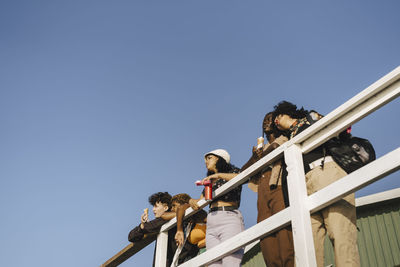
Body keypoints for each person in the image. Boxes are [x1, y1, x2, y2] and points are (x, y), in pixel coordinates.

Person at [272, 101, 360, 267]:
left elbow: (339, 128)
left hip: (325, 171)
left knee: (340, 233)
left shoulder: (310, 118)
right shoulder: (287, 139)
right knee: (309, 245)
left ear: (288, 112)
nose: (276, 121)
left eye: (278, 116)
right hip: (303, 185)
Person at [241, 112, 294, 267]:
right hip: (262, 193)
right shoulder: (260, 149)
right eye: (264, 119)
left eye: (270, 119)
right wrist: (254, 158)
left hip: (277, 187)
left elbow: (275, 149)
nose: (266, 121)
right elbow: (242, 174)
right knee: (266, 238)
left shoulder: (284, 138)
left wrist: (260, 155)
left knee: (284, 235)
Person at [189, 149, 244, 267]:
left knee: (231, 260)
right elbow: (200, 201)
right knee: (213, 263)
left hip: (229, 217)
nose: (206, 162)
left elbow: (242, 177)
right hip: (212, 220)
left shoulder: (232, 171)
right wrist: (191, 201)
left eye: (209, 158)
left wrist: (218, 175)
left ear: (219, 158)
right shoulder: (209, 182)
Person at [128, 192, 176, 266]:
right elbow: (131, 236)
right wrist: (143, 226)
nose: (153, 210)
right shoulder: (161, 221)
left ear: (166, 208)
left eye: (156, 206)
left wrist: (143, 226)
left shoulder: (166, 218)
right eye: (153, 207)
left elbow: (131, 236)